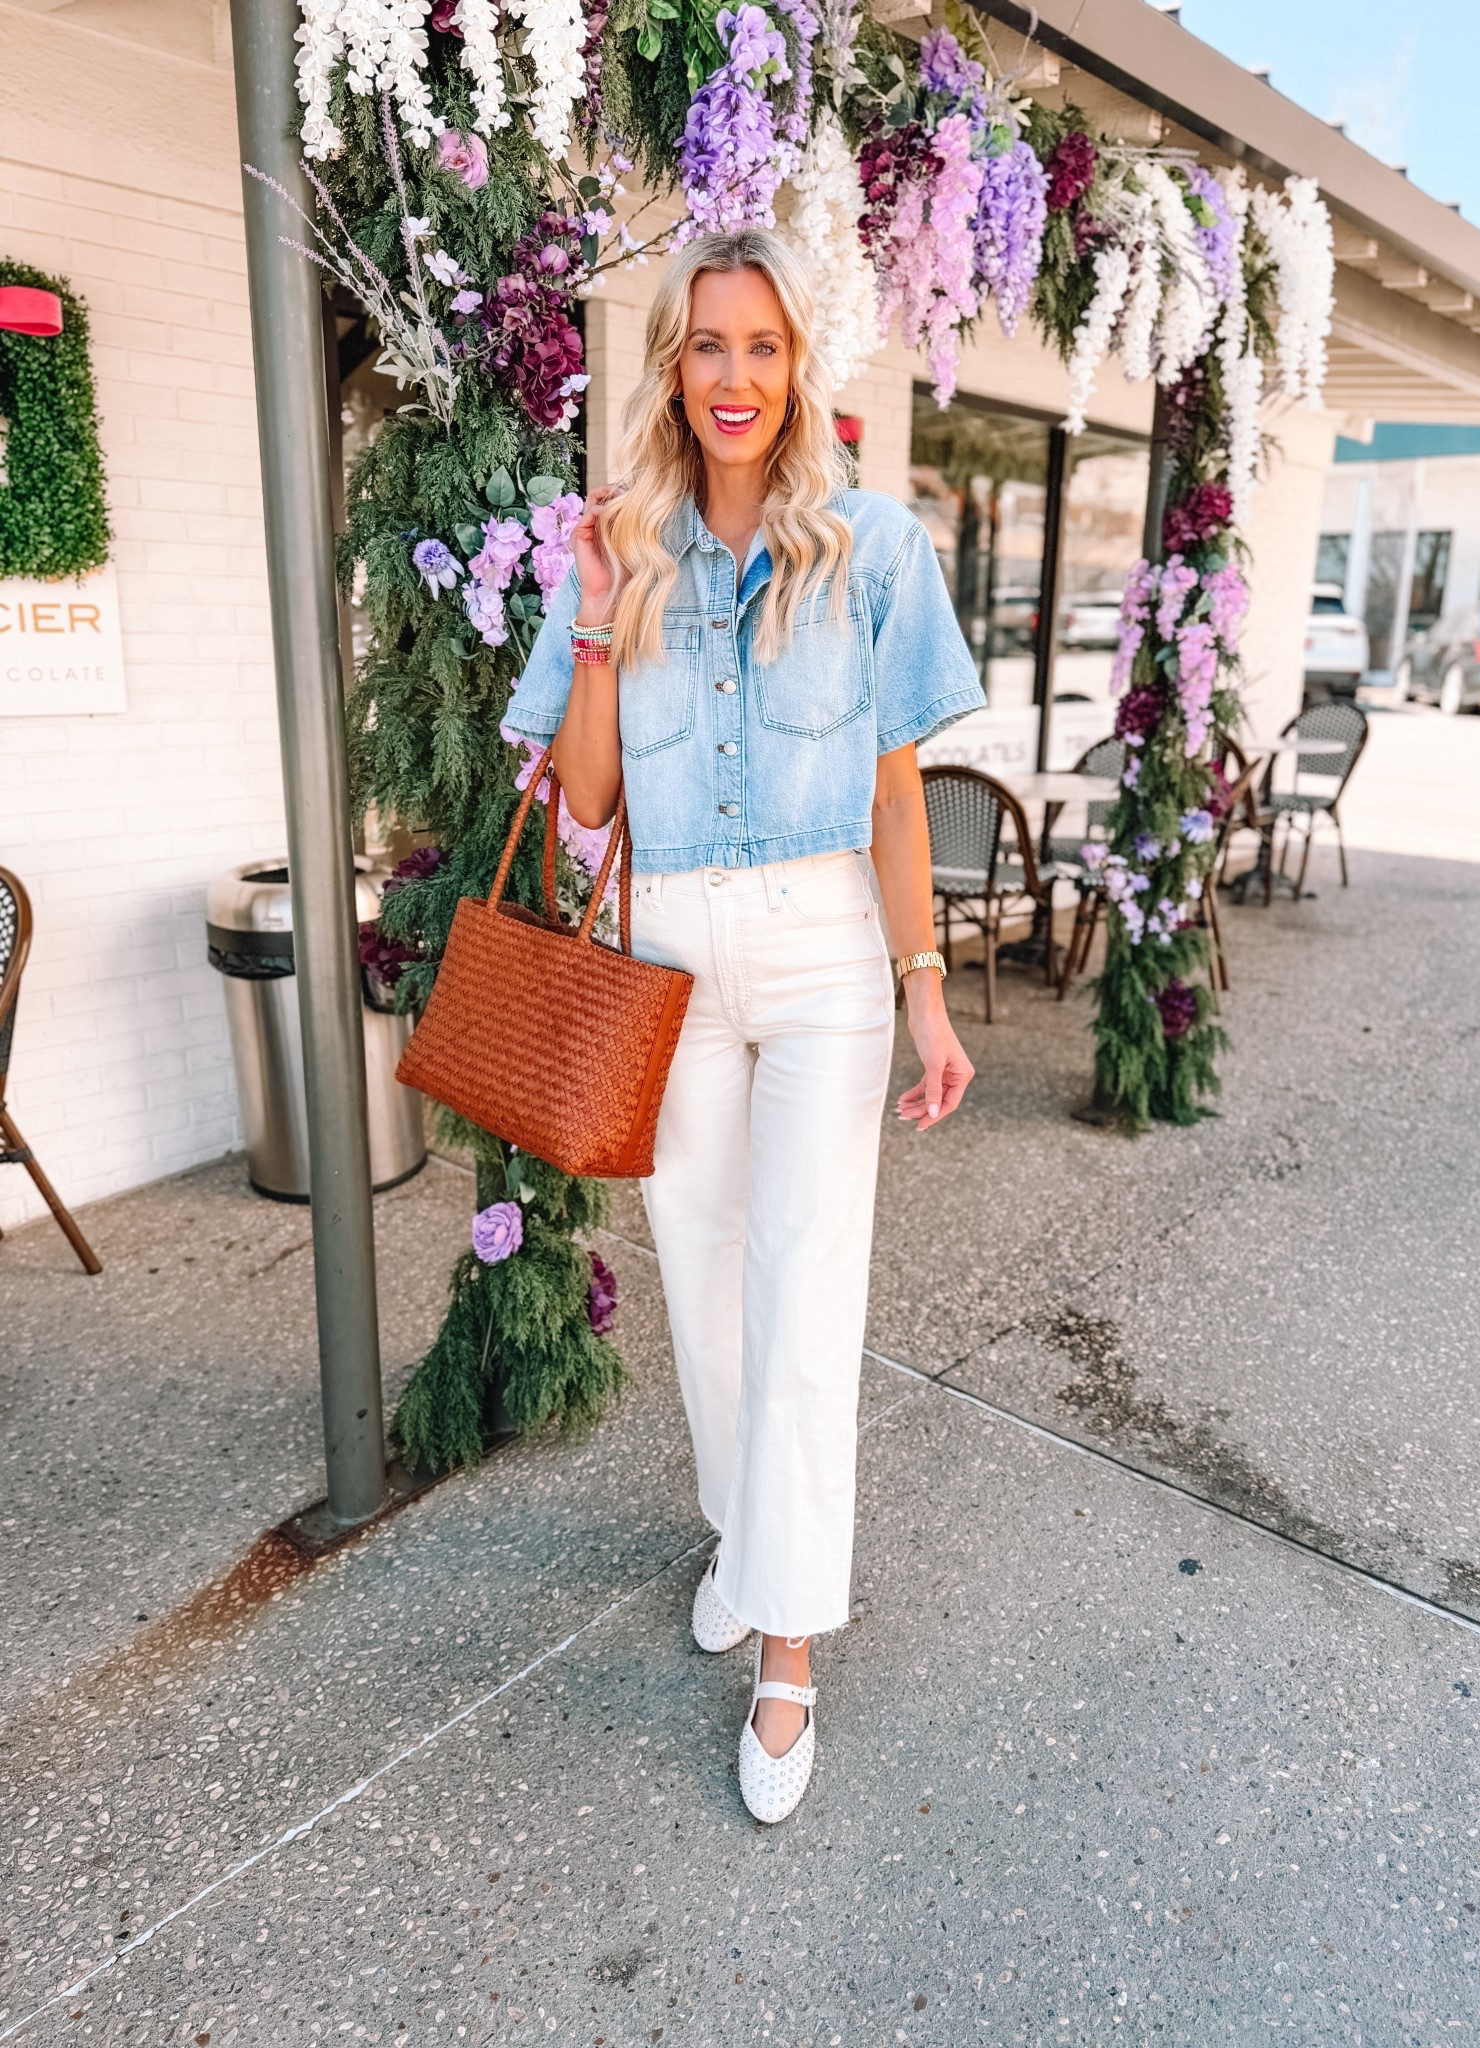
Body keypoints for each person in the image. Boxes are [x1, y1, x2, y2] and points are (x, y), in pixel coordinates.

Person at [506, 228, 985, 1824]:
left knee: (802, 1294)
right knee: (700, 1291)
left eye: (763, 347)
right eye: (707, 346)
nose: (735, 378)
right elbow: (580, 796)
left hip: (825, 953)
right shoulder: (617, 544)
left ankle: (788, 1645)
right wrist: (587, 621)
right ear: (671, 364)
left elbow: (896, 792)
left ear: (800, 368)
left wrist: (925, 990)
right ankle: (747, 1531)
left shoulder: (872, 546)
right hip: (667, 955)